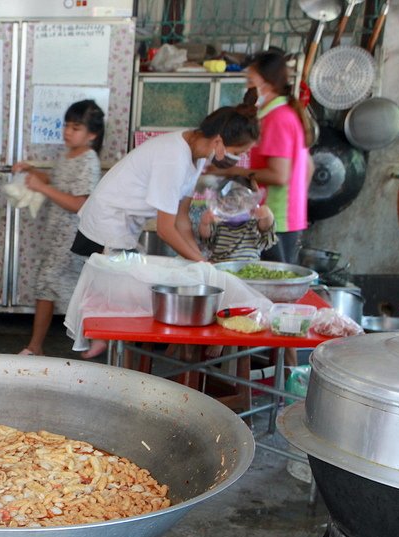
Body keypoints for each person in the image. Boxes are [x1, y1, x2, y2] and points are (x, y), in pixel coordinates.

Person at [69, 104, 260, 358]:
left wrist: (203, 261)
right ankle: (110, 348)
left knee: (127, 288)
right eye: (239, 152)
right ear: (219, 141)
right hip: (106, 222)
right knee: (118, 295)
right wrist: (201, 262)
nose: (238, 160)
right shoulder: (174, 156)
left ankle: (113, 347)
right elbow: (166, 229)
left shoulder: (198, 154)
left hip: (124, 223)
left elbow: (182, 220)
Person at [13, 99, 104, 356]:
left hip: (72, 239)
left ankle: (96, 336)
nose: (67, 132)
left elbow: (79, 203)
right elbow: (56, 182)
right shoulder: (67, 156)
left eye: (75, 127)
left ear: (92, 135)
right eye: (66, 125)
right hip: (55, 237)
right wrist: (32, 172)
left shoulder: (89, 160)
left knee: (64, 287)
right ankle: (37, 346)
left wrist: (42, 187)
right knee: (48, 287)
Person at [215, 51, 313, 264]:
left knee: (273, 283)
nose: (247, 86)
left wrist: (231, 171)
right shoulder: (281, 113)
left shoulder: (277, 118)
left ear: (267, 83)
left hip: (277, 216)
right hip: (285, 215)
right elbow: (308, 167)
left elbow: (279, 175)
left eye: (250, 80)